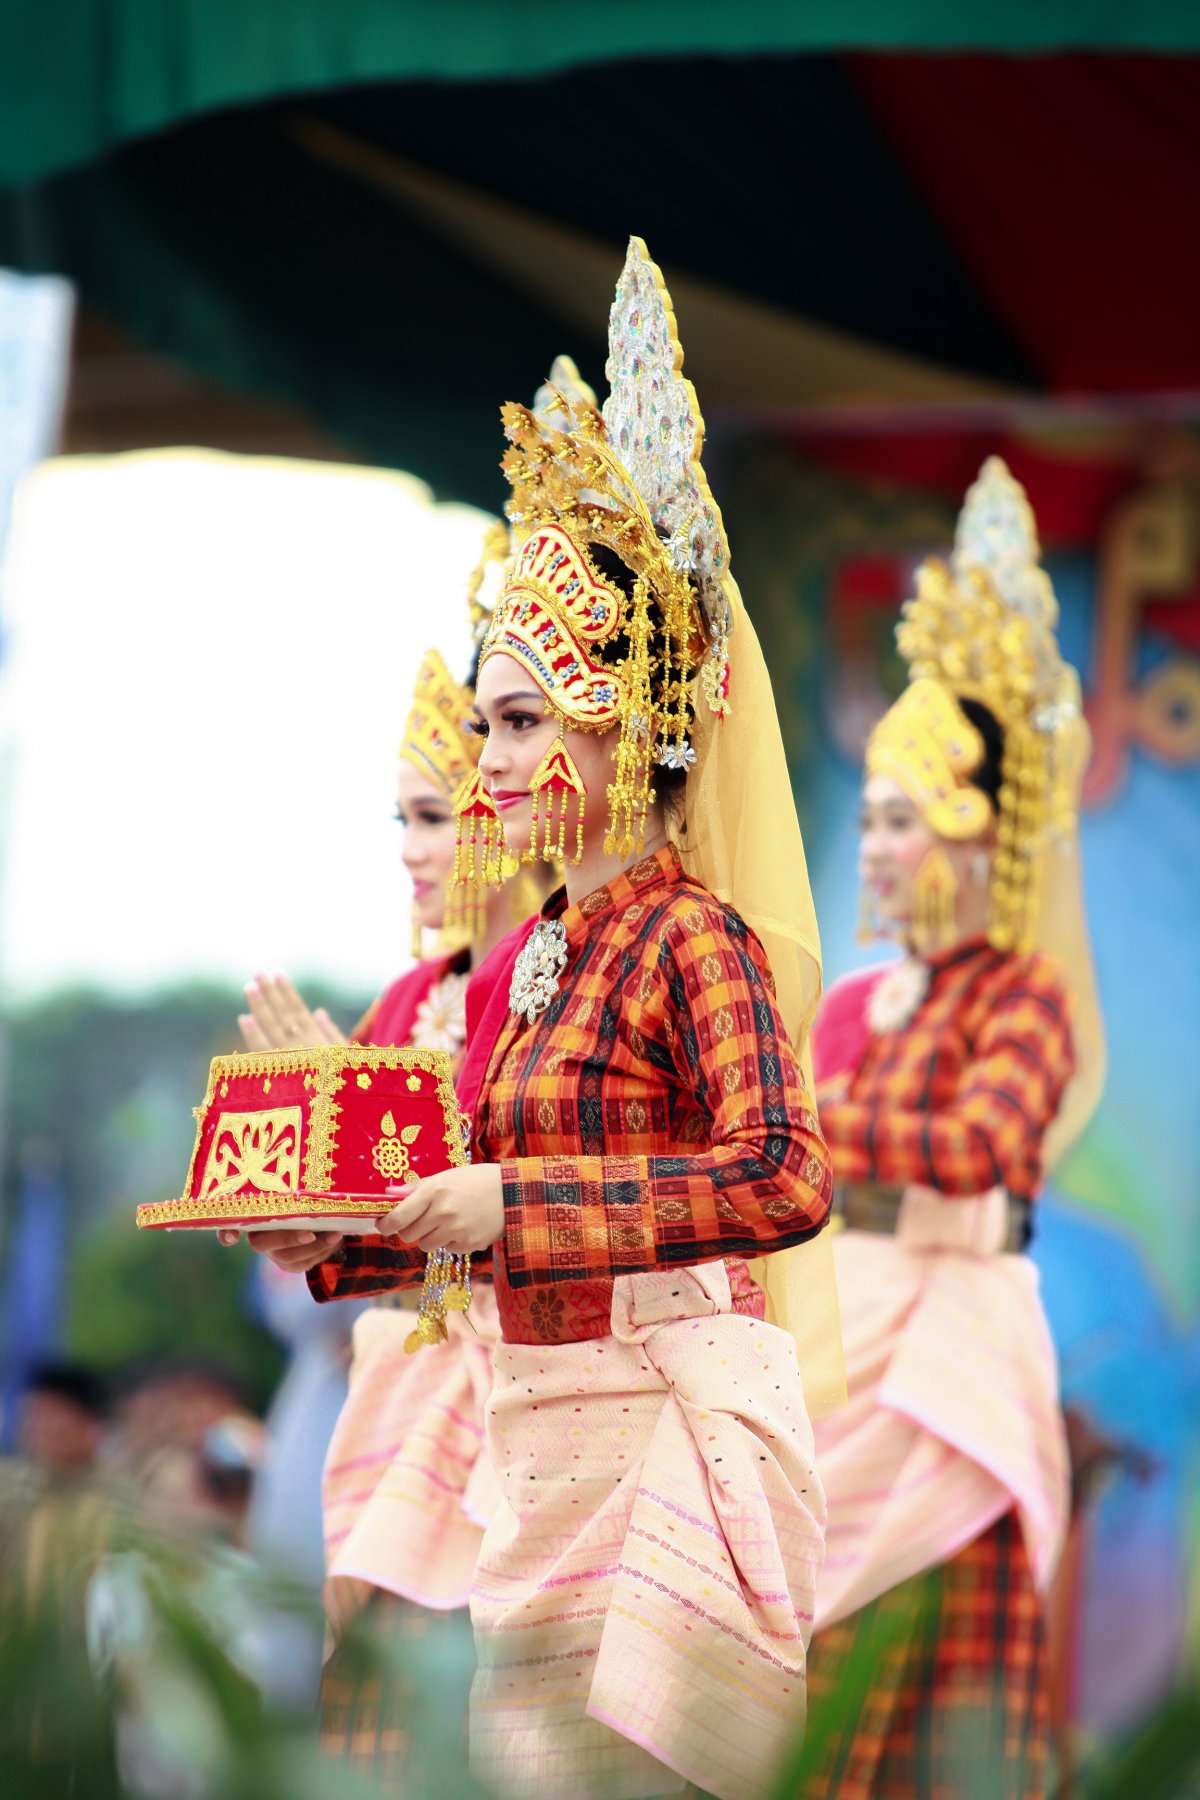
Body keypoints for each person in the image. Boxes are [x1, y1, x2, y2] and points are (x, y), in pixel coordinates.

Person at [263, 238, 843, 1800]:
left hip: (666, 1434)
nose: (495, 759)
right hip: (536, 1447)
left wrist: (511, 1197)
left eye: (521, 721)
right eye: (492, 723)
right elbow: (485, 1211)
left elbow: (785, 1176)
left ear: (624, 723)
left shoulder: (687, 939)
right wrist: (338, 1232)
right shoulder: (546, 956)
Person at [801, 457, 1106, 1799]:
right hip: (838, 1343)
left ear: (981, 837)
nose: (875, 849)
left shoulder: (1023, 996)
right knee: (813, 1678)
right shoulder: (858, 1004)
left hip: (954, 1356)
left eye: (904, 821)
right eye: (866, 818)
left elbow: (981, 1147)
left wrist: (811, 1117)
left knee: (955, 1685)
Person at [227, 587, 544, 1787]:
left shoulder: (546, 977)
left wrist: (360, 1123)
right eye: (400, 820)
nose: (412, 850)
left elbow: (514, 1183)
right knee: (370, 1705)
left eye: (432, 816)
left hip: (522, 1391)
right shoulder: (406, 1005)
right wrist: (300, 1173)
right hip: (391, 1383)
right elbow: (364, 1223)